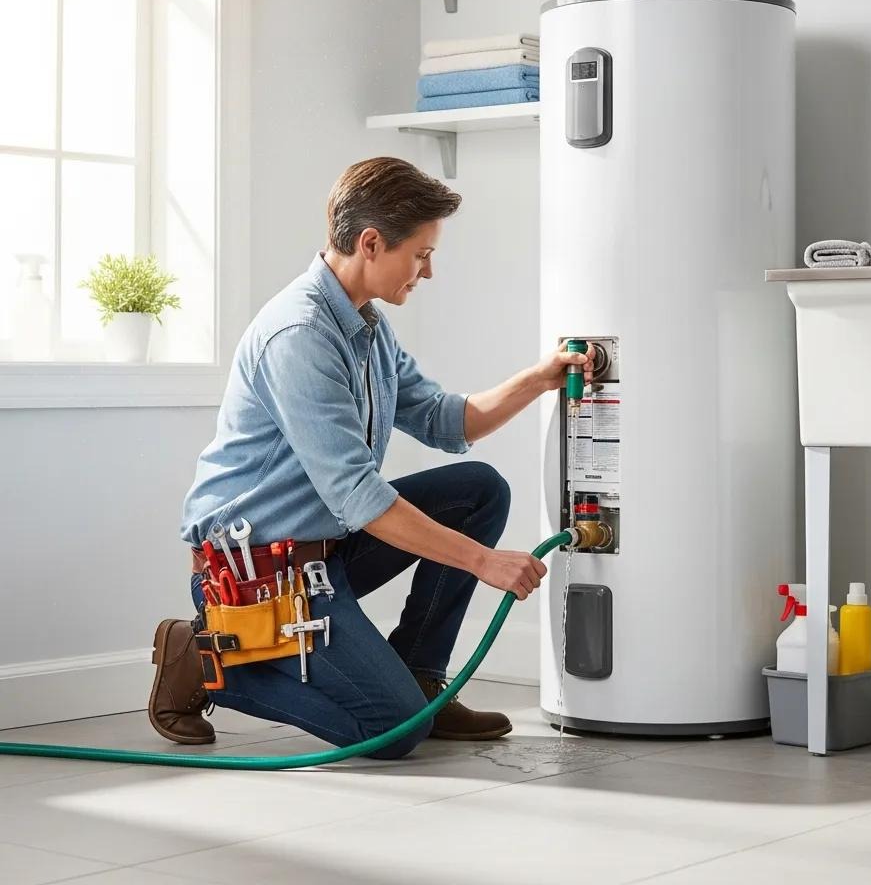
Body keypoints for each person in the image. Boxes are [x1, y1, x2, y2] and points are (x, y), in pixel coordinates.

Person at [148, 156, 593, 758]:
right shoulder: (299, 335)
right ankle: (204, 662)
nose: (428, 270)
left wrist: (540, 378)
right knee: (396, 731)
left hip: (323, 551)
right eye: (421, 254)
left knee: (478, 490)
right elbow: (356, 494)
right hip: (256, 578)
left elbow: (445, 420)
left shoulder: (367, 328)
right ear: (371, 243)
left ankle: (420, 678)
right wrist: (483, 562)